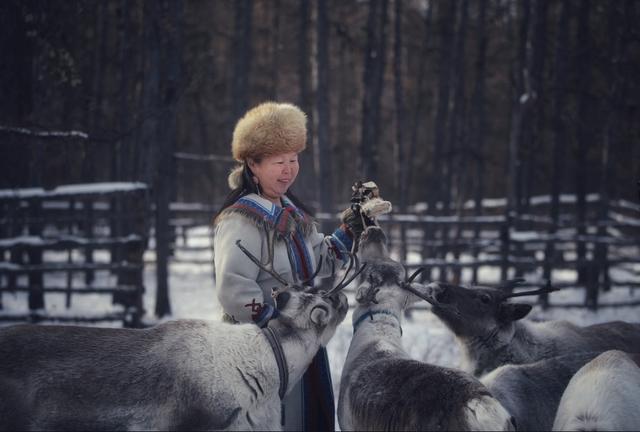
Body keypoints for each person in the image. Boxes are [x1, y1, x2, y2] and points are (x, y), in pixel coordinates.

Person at [212, 101, 377, 431]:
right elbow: (233, 290)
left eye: (293, 159)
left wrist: (352, 228)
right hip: (261, 352)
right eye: (278, 162)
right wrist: (279, 324)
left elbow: (322, 262)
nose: (288, 169)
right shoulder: (241, 221)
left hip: (303, 345)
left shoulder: (293, 215)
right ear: (253, 165)